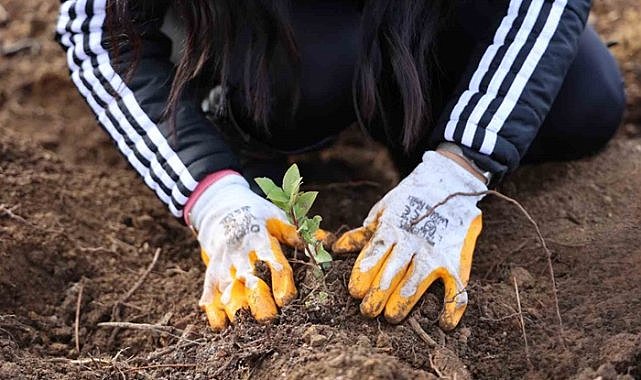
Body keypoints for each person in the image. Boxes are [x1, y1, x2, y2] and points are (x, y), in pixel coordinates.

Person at [55, 0, 624, 332]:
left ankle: (412, 114)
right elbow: (96, 30)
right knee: (306, 78)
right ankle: (231, 113)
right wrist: (212, 193)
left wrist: (459, 166)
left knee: (581, 102)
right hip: (262, 26)